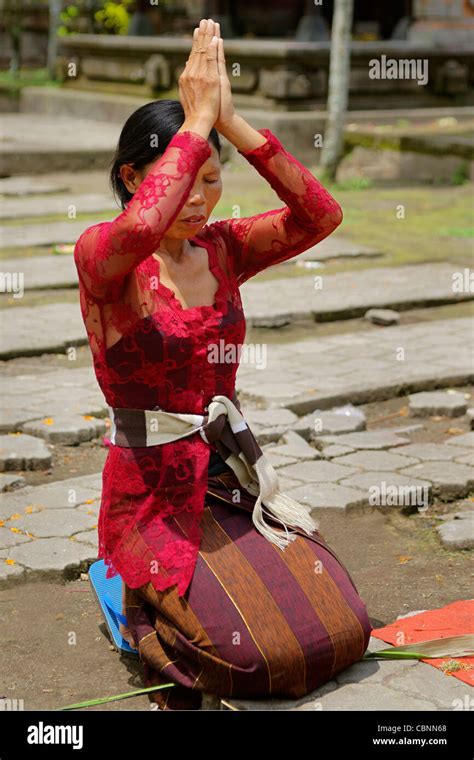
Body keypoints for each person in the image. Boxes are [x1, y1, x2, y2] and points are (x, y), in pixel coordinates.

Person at [74, 18, 371, 710]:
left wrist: (230, 121)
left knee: (337, 626)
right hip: (146, 501)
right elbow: (143, 226)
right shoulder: (104, 259)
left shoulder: (223, 249)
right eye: (183, 181)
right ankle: (131, 592)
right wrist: (197, 116)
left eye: (212, 181)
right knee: (247, 654)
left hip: (224, 480)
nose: (199, 198)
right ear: (132, 178)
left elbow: (320, 214)